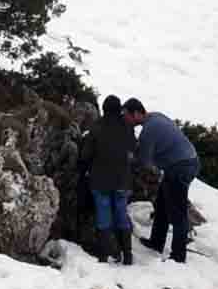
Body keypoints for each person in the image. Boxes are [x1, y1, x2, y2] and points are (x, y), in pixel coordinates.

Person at [134, 106, 203, 263]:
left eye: (128, 115)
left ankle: (178, 256)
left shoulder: (149, 130)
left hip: (180, 167)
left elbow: (144, 161)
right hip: (188, 162)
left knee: (177, 211)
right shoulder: (157, 117)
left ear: (137, 113)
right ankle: (156, 242)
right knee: (162, 204)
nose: (128, 120)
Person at [81, 98, 139, 265]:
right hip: (122, 180)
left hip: (100, 180)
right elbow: (134, 150)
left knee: (103, 214)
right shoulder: (127, 127)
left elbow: (86, 155)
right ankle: (127, 255)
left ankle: (104, 255)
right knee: (121, 213)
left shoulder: (96, 127)